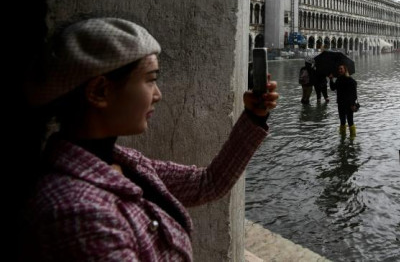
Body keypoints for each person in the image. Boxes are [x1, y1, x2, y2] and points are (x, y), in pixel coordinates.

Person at [20, 17, 278, 260]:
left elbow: (207, 183)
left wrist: (254, 117)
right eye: (150, 80)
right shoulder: (77, 216)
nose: (158, 94)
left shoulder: (126, 163)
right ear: (99, 91)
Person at [329, 64, 357, 136]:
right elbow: (333, 88)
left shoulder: (350, 80)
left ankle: (352, 138)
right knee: (342, 121)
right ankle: (343, 137)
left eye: (341, 69)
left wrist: (352, 104)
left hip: (349, 104)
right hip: (340, 103)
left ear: (345, 70)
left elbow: (354, 93)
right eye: (339, 69)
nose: (340, 70)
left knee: (350, 121)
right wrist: (331, 80)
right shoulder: (339, 79)